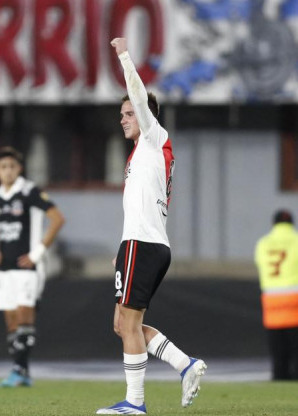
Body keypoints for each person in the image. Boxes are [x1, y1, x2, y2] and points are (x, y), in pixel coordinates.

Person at [96, 37, 206, 415]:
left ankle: (136, 404)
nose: (124, 119)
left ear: (145, 116)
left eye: (128, 114)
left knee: (128, 322)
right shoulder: (146, 155)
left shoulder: (154, 138)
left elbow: (140, 97)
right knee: (123, 324)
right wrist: (122, 246)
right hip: (141, 243)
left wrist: (125, 55)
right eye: (123, 115)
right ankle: (184, 364)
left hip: (144, 244)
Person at [0, 146, 65, 387]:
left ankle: (19, 370)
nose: (8, 171)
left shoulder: (30, 191)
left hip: (28, 268)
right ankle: (22, 372)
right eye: (3, 167)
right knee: (11, 321)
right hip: (6, 269)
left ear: (19, 169)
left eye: (12, 166)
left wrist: (37, 253)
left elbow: (57, 219)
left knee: (23, 316)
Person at [254, 209, 298, 381]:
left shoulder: (263, 243)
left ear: (274, 224)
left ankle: (279, 389)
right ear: (292, 223)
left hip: (274, 306)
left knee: (279, 358)